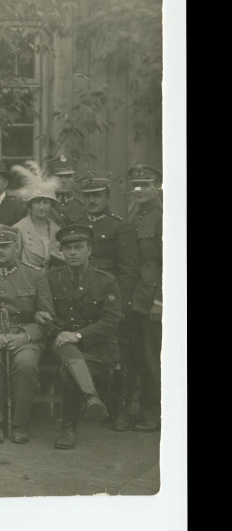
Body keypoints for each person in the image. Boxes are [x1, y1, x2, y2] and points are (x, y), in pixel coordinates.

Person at [0, 225, 55, 444]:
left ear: (16, 246)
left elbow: (48, 316)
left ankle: (20, 423)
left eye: (5, 246)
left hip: (25, 336)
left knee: (25, 363)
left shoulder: (35, 274)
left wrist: (25, 335)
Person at [45, 224, 120, 450]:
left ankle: (70, 426)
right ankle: (89, 400)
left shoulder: (105, 281)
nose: (73, 253)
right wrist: (45, 319)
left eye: (79, 247)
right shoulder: (51, 278)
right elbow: (43, 310)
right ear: (62, 252)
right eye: (68, 248)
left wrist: (78, 335)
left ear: (90, 250)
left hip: (96, 345)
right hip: (60, 341)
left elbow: (111, 321)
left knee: (70, 368)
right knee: (66, 349)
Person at [77, 171, 140, 431]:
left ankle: (121, 409)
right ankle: (89, 403)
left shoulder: (120, 226)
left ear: (107, 197)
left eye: (97, 196)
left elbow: (128, 270)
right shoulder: (77, 224)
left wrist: (121, 306)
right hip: (82, 299)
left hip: (110, 300)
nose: (92, 200)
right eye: (88, 196)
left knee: (121, 354)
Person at [126, 164, 162, 433]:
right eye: (136, 185)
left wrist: (160, 300)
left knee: (152, 358)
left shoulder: (164, 216)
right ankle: (138, 410)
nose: (139, 190)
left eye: (146, 184)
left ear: (158, 186)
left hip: (153, 298)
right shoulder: (135, 214)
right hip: (136, 296)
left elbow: (170, 260)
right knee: (138, 355)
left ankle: (153, 414)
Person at [11, 166, 62, 269]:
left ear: (51, 205)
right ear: (30, 206)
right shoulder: (19, 228)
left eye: (46, 202)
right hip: (27, 280)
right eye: (37, 202)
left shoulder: (57, 230)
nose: (42, 207)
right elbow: (13, 261)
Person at [47, 155, 86, 226]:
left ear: (75, 178)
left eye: (68, 176)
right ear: (50, 178)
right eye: (58, 176)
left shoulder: (83, 206)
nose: (63, 181)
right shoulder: (42, 205)